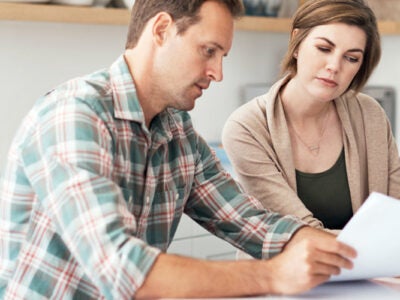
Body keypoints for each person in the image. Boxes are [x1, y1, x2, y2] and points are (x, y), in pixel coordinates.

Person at [0, 1, 356, 299]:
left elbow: (251, 222)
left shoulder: (176, 131)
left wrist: (351, 252)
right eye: (209, 51)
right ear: (161, 30)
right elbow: (122, 266)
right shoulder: (75, 115)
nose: (217, 72)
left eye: (222, 56)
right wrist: (272, 276)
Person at [223, 0, 400, 233]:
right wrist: (371, 245)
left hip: (372, 268)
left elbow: (394, 210)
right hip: (283, 267)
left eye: (352, 58)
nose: (334, 66)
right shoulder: (245, 128)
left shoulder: (370, 113)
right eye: (324, 49)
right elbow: (300, 232)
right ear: (296, 42)